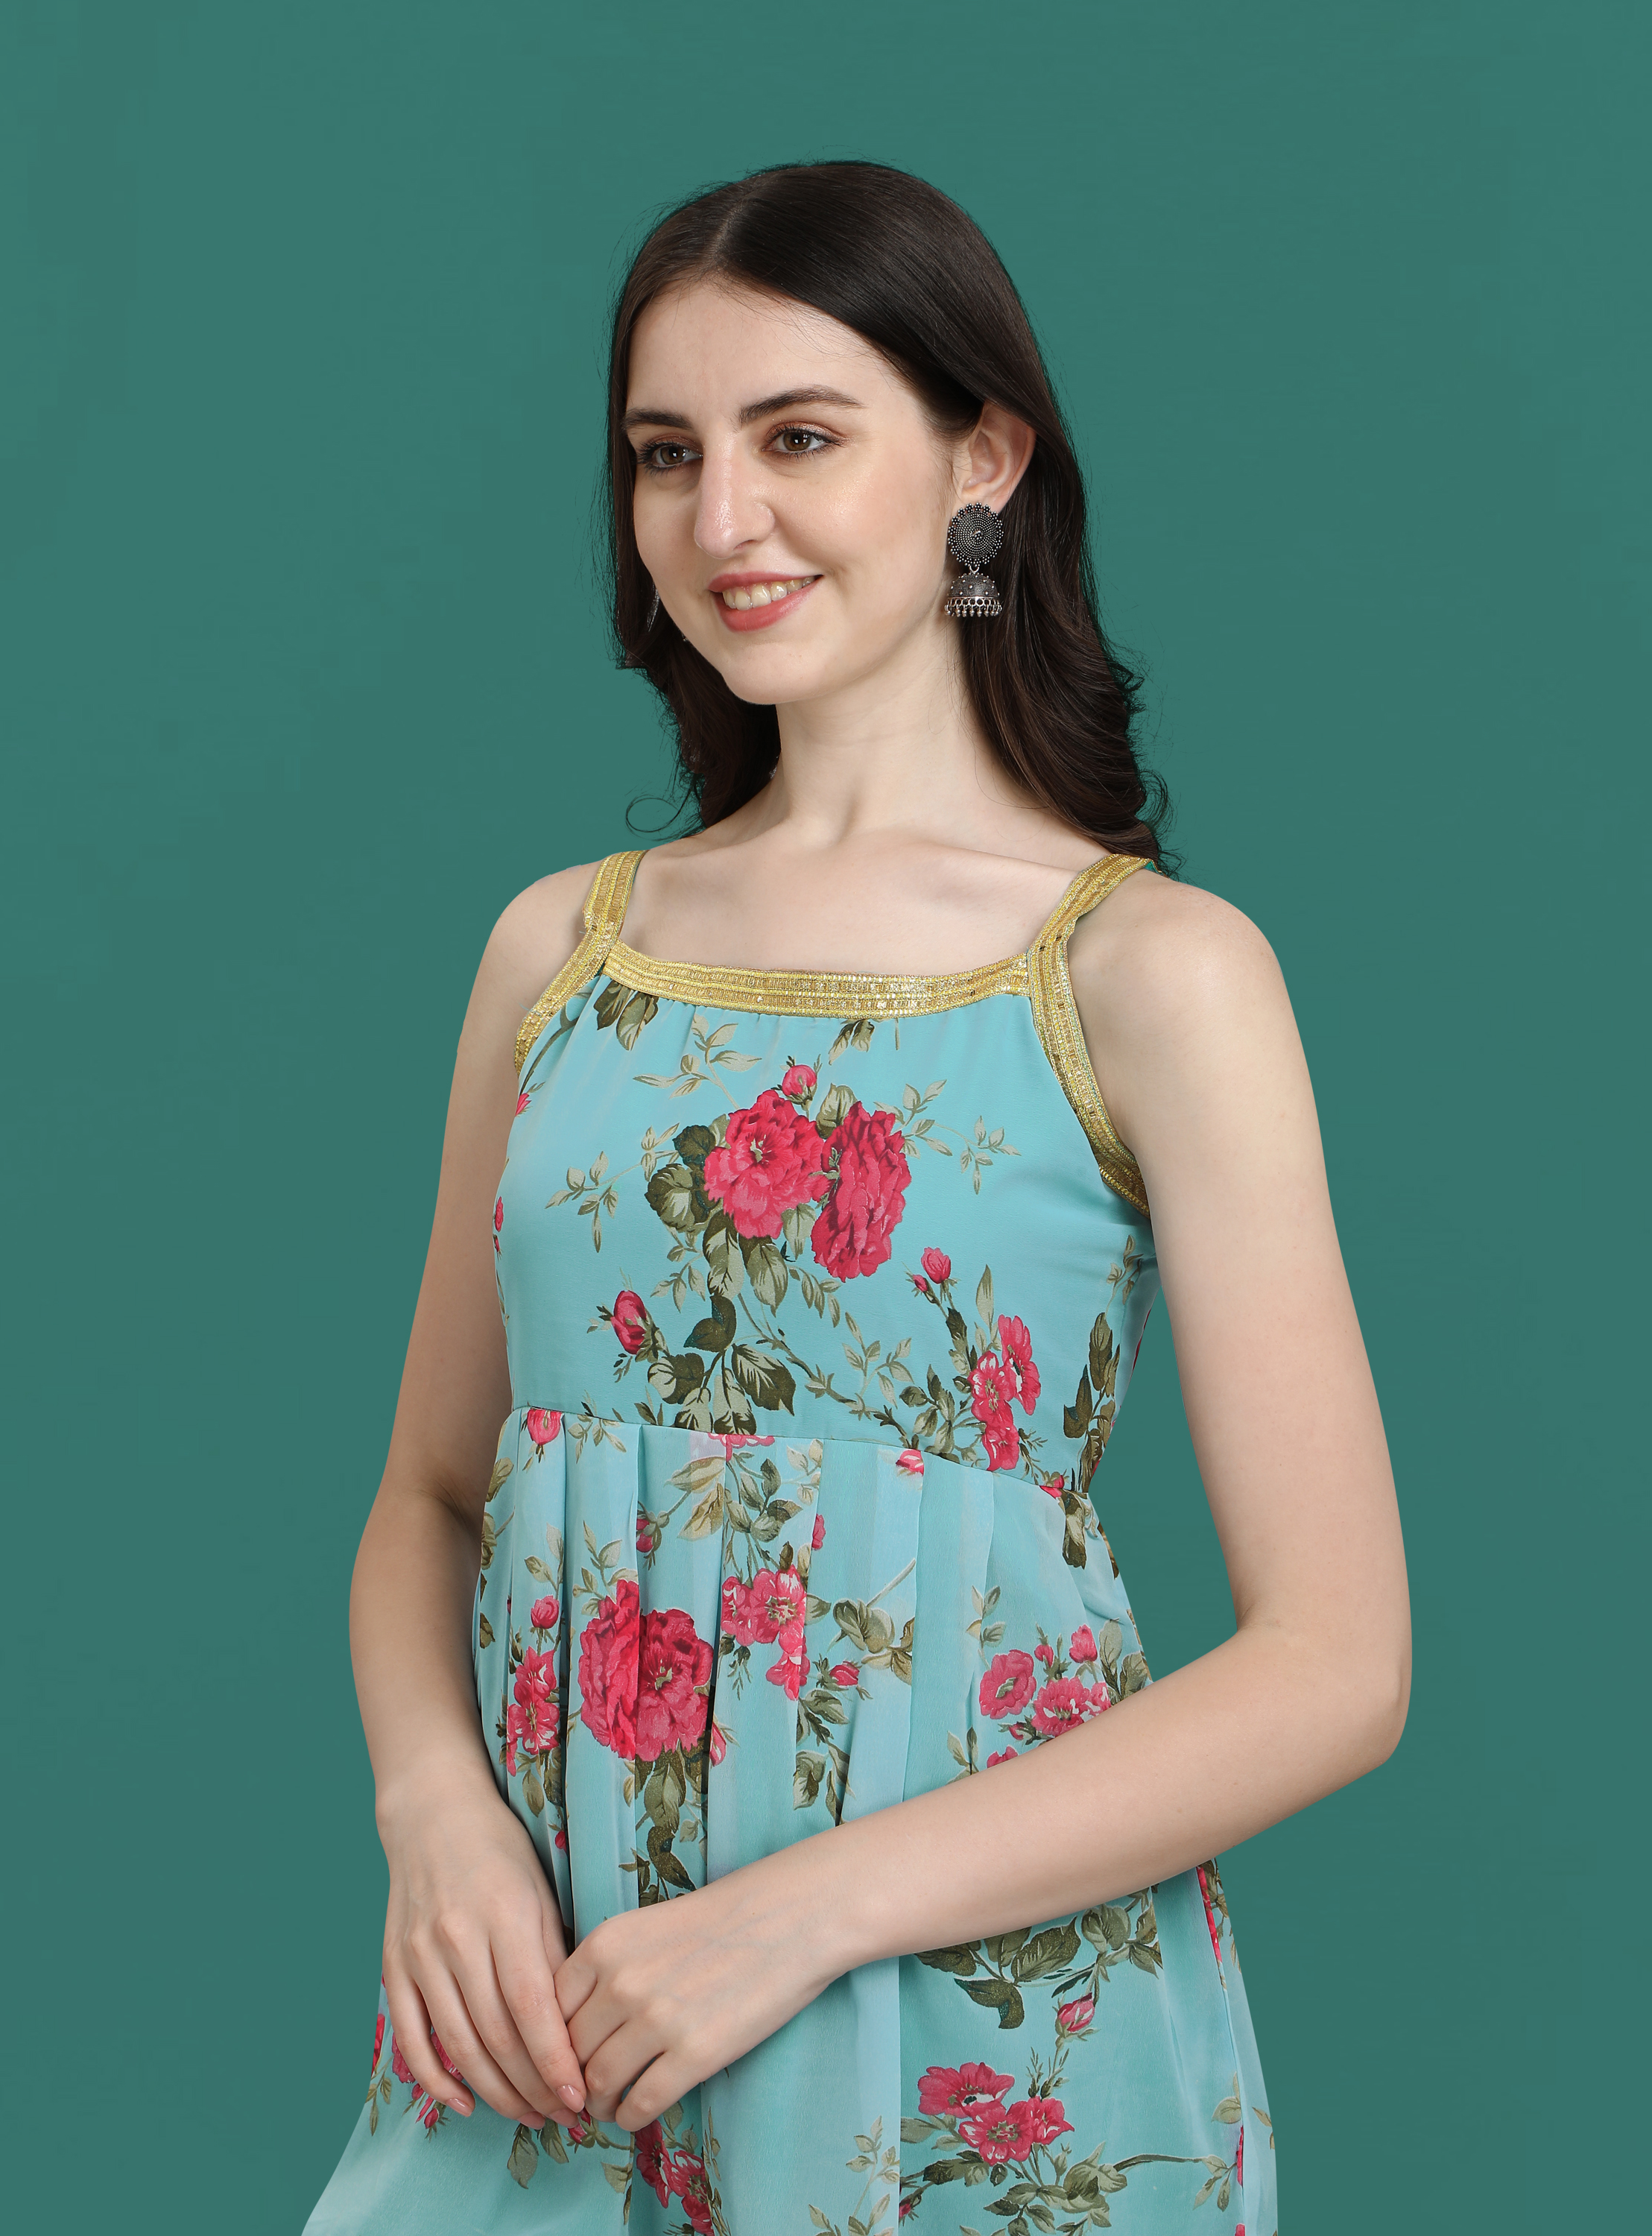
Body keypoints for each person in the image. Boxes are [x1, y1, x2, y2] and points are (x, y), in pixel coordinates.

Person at [306, 161, 1408, 2236]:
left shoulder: (1151, 974)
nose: (723, 518)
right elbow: (427, 1495)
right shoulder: (561, 951)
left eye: (798, 437)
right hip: (548, 2019)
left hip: (975, 2043)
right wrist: (433, 1813)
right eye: (667, 454)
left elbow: (1337, 1660)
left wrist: (794, 1917)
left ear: (983, 459)